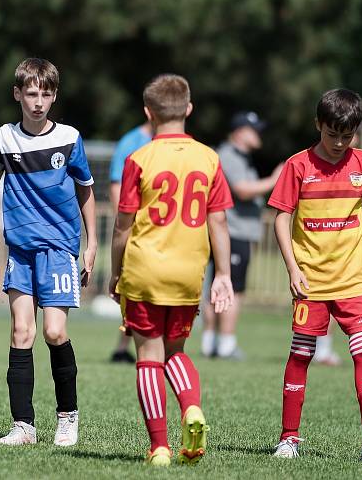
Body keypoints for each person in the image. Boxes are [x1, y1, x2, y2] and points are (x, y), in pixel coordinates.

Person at [269, 89, 362, 462]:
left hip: (353, 281)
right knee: (301, 355)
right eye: (332, 135)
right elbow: (282, 217)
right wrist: (293, 268)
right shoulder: (297, 166)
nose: (339, 143)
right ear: (318, 125)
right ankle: (289, 439)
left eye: (347, 135)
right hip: (310, 282)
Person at [110, 74, 234, 466]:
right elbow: (218, 223)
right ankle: (191, 407)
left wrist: (116, 273)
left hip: (145, 271)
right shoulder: (209, 158)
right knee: (176, 351)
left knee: (148, 355)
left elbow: (122, 225)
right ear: (189, 109)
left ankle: (160, 447)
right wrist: (225, 276)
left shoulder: (139, 159)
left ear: (148, 113)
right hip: (187, 274)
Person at [0, 58, 97, 447]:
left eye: (46, 94)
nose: (38, 101)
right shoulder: (4, 139)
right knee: (22, 331)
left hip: (60, 247)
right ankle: (23, 426)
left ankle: (68, 417)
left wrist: (91, 242)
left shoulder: (69, 138)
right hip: (20, 249)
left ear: (54, 96)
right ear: (17, 94)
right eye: (31, 93)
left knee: (54, 331)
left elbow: (85, 190)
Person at [200, 111, 283, 359]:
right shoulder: (229, 155)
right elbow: (243, 190)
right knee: (233, 289)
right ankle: (224, 343)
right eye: (253, 129)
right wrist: (274, 179)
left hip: (231, 231)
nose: (259, 134)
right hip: (232, 231)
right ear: (239, 132)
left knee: (219, 287)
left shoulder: (240, 157)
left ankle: (211, 342)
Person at [107, 121, 152, 363]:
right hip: (135, 229)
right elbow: (117, 184)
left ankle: (125, 345)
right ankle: (124, 345)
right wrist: (123, 224)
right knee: (131, 290)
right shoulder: (131, 142)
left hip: (160, 231)